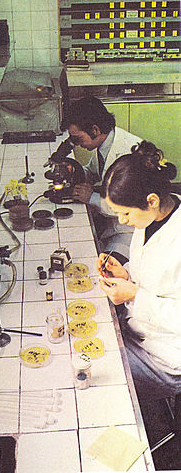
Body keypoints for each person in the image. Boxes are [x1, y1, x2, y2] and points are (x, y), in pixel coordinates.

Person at [97, 140, 181, 400]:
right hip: (141, 332)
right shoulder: (152, 216)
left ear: (152, 200)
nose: (122, 221)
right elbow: (161, 276)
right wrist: (126, 272)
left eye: (124, 214)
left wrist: (134, 296)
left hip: (167, 358)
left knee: (96, 373)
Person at [62, 97, 142, 263]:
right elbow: (92, 172)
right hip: (112, 225)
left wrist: (91, 198)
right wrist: (72, 169)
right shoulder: (106, 143)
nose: (76, 144)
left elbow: (130, 206)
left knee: (104, 268)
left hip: (132, 232)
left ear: (95, 129)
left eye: (78, 138)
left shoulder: (129, 154)